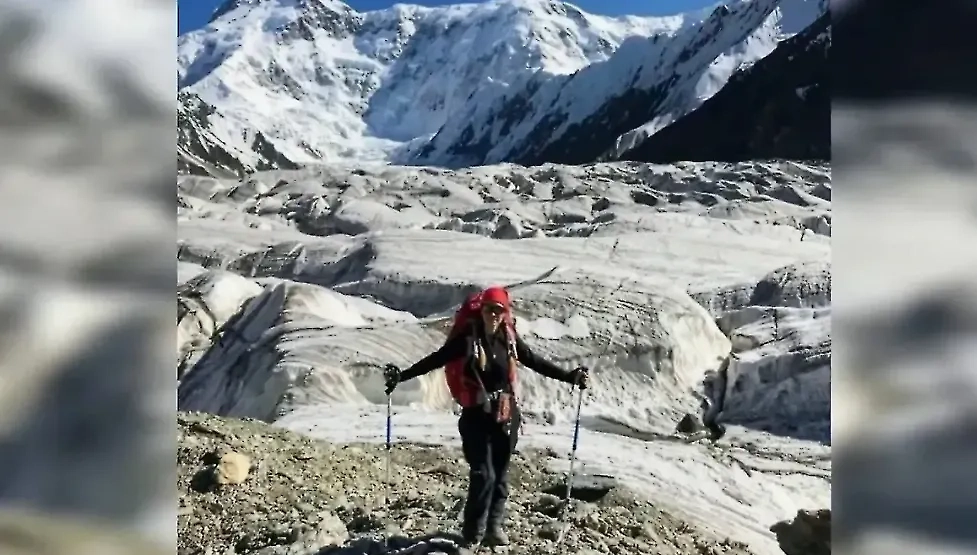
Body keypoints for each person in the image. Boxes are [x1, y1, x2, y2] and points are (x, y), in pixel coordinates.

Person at [383, 285, 589, 548]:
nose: (494, 314)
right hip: (476, 417)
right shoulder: (468, 340)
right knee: (484, 474)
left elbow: (534, 360)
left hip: (505, 416)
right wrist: (401, 377)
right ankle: (473, 534)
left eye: (499, 309)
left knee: (500, 475)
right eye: (490, 309)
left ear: (505, 312)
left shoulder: (509, 339)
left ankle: (493, 527)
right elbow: (437, 358)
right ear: (482, 310)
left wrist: (569, 377)